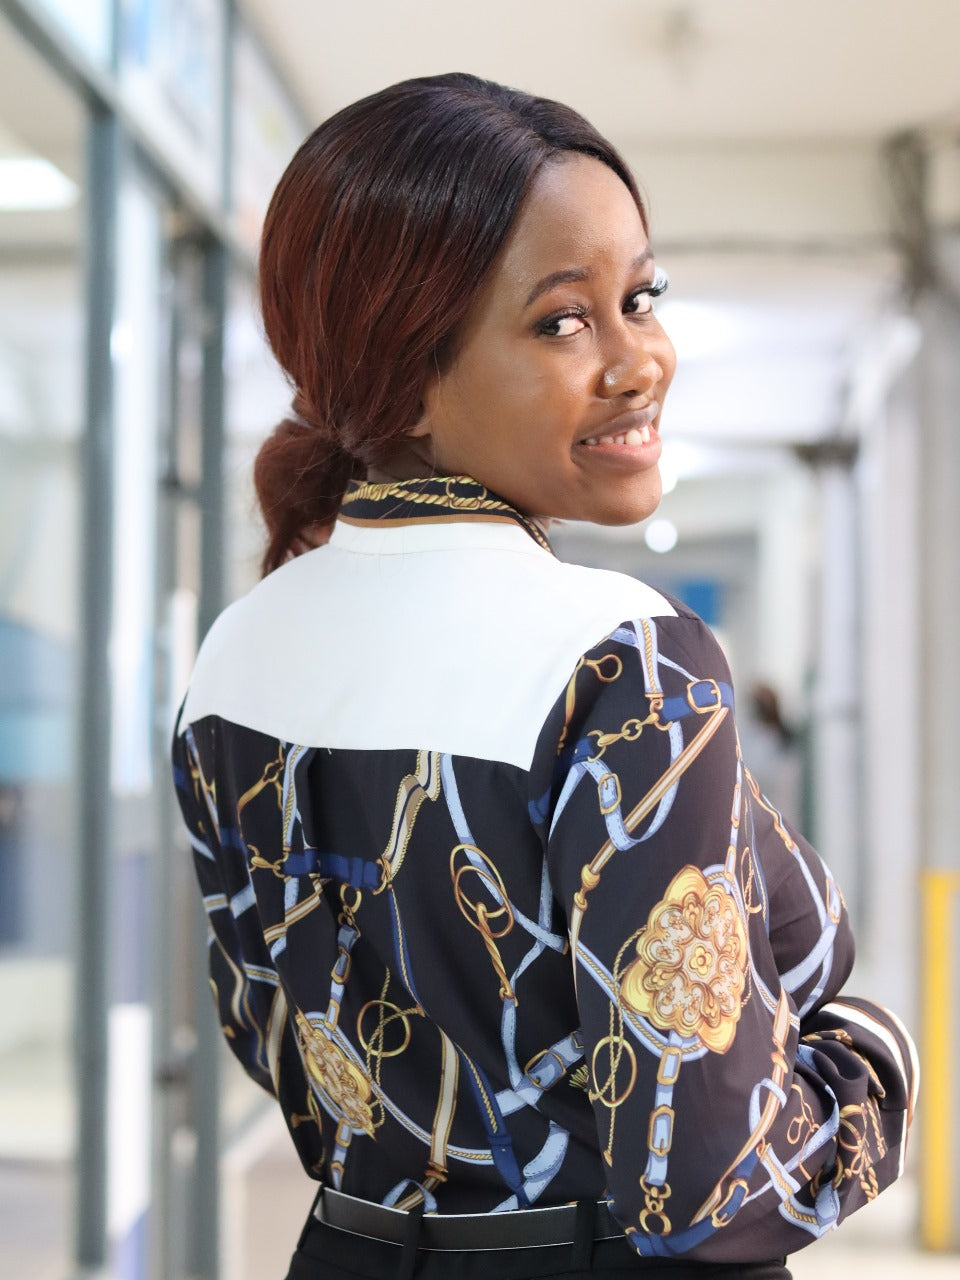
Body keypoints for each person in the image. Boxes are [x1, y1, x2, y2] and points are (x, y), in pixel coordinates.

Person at [171, 73, 918, 1280]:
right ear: (404, 366)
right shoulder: (624, 656)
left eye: (641, 297)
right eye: (562, 320)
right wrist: (880, 1060)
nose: (639, 361)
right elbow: (711, 1184)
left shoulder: (234, 649)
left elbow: (280, 1043)